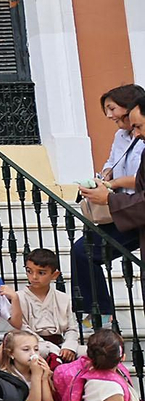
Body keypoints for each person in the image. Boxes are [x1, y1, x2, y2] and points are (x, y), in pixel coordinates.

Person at [73, 85, 144, 320]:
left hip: (132, 209)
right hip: (116, 208)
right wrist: (105, 176)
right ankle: (99, 311)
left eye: (112, 108)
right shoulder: (120, 136)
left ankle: (100, 313)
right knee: (82, 250)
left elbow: (139, 180)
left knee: (87, 251)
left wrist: (111, 190)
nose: (109, 115)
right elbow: (112, 160)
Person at [11, 248, 81, 363]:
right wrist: (50, 347)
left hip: (60, 344)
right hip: (34, 344)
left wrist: (68, 346)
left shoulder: (63, 298)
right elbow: (22, 328)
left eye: (41, 273)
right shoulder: (19, 297)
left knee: (89, 352)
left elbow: (71, 328)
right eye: (29, 271)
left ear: (54, 275)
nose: (34, 277)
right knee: (41, 351)